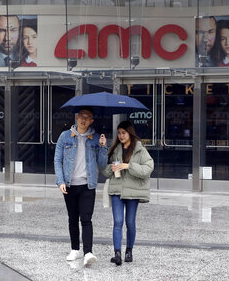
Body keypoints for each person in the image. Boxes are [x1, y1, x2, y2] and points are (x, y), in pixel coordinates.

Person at [54, 107, 108, 266]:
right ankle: (74, 249)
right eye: (81, 116)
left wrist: (103, 147)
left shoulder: (96, 138)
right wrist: (60, 181)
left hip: (87, 185)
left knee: (86, 219)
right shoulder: (65, 136)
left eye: (88, 117)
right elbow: (57, 160)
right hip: (69, 185)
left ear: (92, 120)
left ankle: (88, 252)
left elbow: (102, 164)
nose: (83, 119)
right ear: (77, 118)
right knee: (72, 218)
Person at [102, 120, 154, 266]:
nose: (121, 136)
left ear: (130, 133)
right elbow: (105, 170)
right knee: (117, 222)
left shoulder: (139, 149)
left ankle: (129, 251)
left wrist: (129, 166)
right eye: (118, 133)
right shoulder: (115, 149)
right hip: (117, 190)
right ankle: (117, 253)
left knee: (130, 222)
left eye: (123, 133)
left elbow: (148, 168)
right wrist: (111, 168)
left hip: (133, 191)